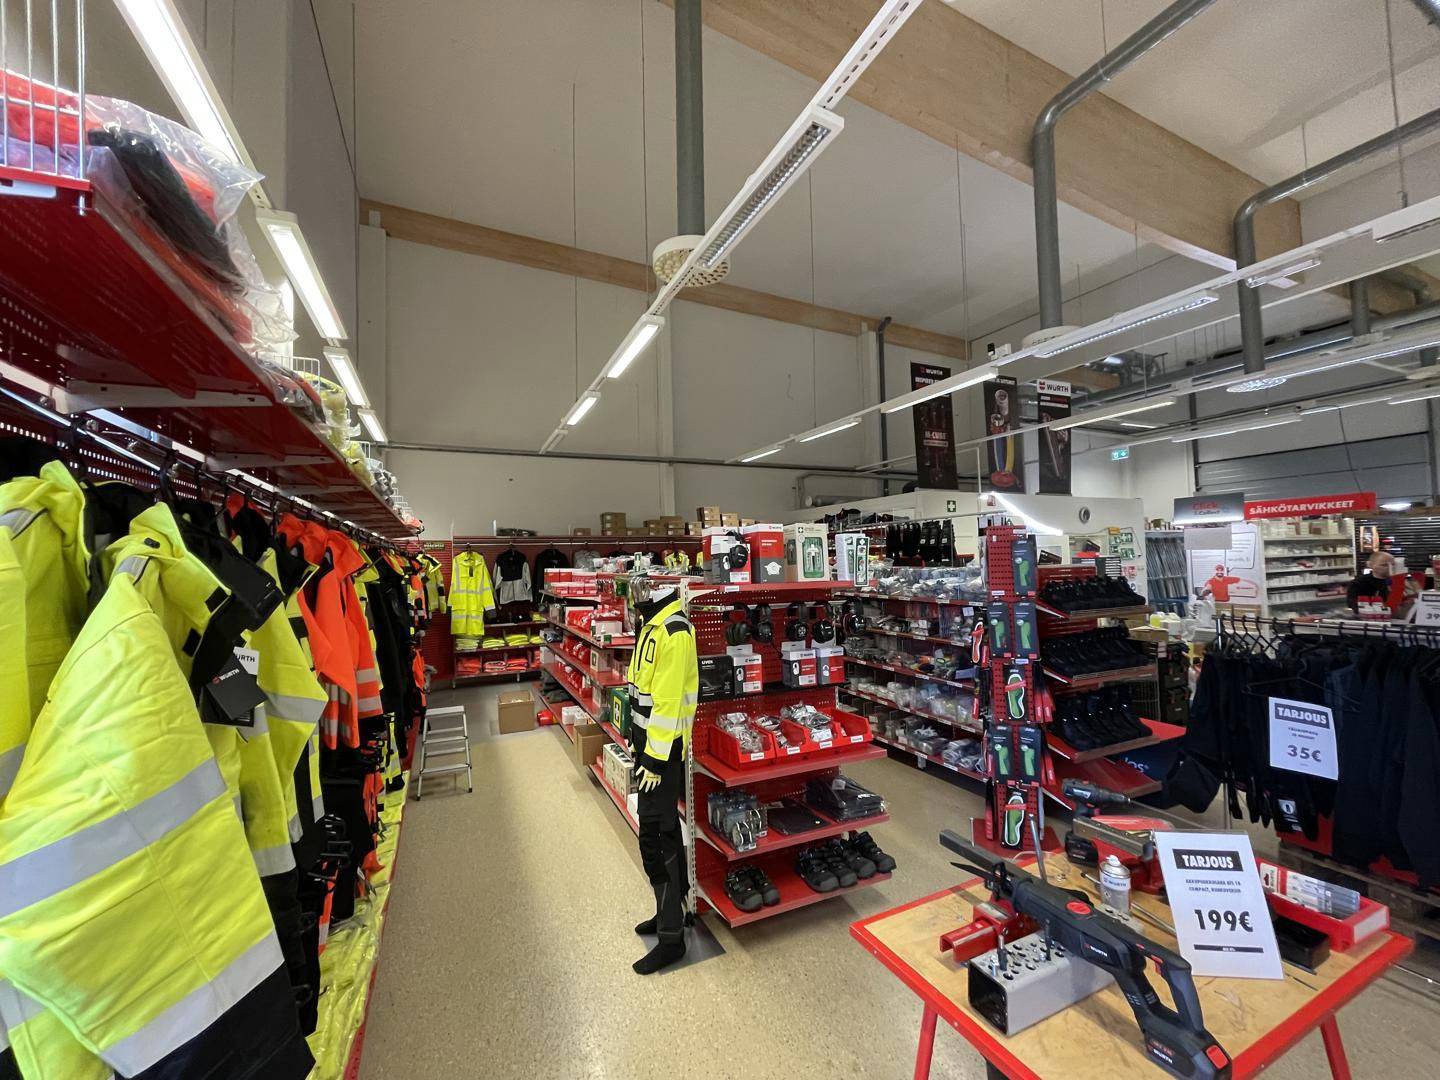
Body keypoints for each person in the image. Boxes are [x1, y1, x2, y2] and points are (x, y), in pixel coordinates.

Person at [625, 575, 699, 975]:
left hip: (663, 755)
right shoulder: (651, 623)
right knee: (663, 832)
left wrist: (654, 760)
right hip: (649, 748)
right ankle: (670, 911)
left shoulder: (673, 630)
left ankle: (672, 940)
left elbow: (669, 703)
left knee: (655, 837)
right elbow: (642, 692)